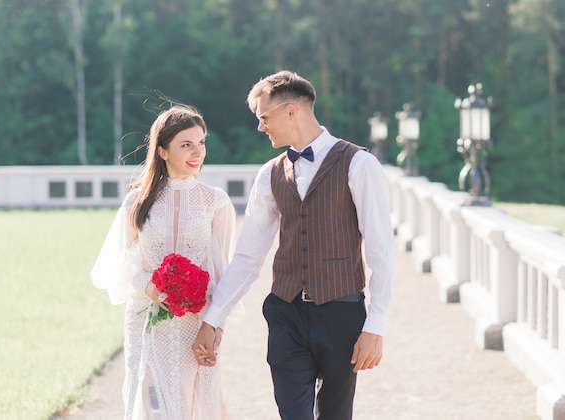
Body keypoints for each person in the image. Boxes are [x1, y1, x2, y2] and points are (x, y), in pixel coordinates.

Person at [193, 70, 395, 419]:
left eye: (264, 117)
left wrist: (374, 326)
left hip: (342, 313)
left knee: (334, 414)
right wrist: (213, 318)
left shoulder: (359, 164)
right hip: (286, 314)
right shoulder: (269, 174)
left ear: (291, 111)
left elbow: (381, 252)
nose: (260, 127)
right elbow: (247, 257)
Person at [91, 105, 236, 419]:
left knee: (192, 403)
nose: (197, 152)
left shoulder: (216, 202)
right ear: (163, 151)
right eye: (186, 145)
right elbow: (116, 262)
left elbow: (223, 275)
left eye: (201, 143)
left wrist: (215, 330)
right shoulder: (137, 202)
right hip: (147, 321)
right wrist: (149, 287)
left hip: (195, 326)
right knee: (152, 403)